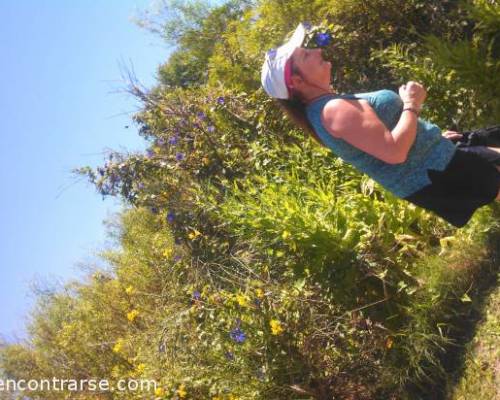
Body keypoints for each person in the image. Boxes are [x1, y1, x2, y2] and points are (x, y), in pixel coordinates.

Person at [260, 22, 500, 228]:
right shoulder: (332, 110)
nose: (316, 51)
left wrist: (428, 137)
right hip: (435, 171)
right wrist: (412, 104)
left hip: (437, 159)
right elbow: (394, 151)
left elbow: (384, 138)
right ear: (298, 81)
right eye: (305, 55)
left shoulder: (327, 106)